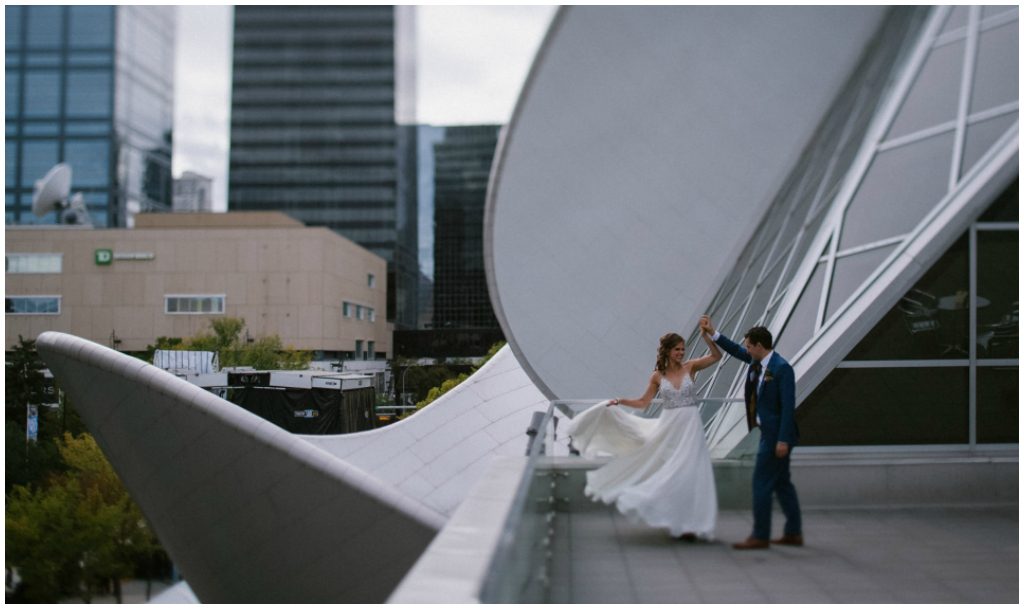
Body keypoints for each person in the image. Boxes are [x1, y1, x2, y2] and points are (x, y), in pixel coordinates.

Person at [566, 330, 722, 540]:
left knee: (691, 471)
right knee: (673, 470)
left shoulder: (690, 367)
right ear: (667, 351)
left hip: (691, 425)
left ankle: (689, 525)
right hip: (670, 426)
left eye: (683, 349)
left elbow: (716, 357)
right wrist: (620, 401)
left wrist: (707, 338)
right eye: (677, 349)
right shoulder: (658, 376)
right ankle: (665, 511)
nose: (681, 353)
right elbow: (643, 403)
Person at [699, 315, 803, 550]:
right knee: (782, 483)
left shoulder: (782, 368)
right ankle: (794, 532)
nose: (746, 349)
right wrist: (713, 333)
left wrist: (783, 439)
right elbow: (735, 350)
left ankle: (760, 535)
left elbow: (788, 406)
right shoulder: (757, 361)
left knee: (761, 482)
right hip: (767, 431)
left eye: (748, 346)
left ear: (758, 346)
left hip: (777, 436)